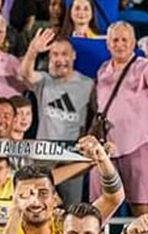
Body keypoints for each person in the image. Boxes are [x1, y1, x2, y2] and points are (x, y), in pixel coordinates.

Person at [88, 21, 148, 216]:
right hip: (106, 147)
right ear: (108, 44)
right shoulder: (103, 70)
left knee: (141, 206)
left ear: (133, 43)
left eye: (125, 40)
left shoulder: (143, 67)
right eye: (115, 40)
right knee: (98, 206)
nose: (120, 44)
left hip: (138, 144)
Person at [22, 29, 94, 204]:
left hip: (72, 153)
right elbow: (25, 74)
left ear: (73, 56)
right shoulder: (44, 80)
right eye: (55, 54)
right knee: (37, 202)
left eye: (64, 54)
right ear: (49, 57)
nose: (60, 59)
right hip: (43, 153)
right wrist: (33, 50)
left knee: (72, 207)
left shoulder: (88, 84)